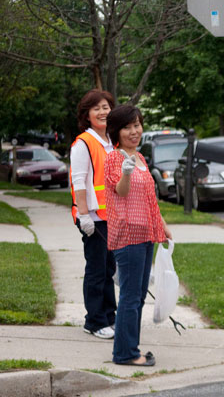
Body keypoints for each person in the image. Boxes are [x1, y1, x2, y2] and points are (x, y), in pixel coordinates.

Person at [105, 104, 172, 367]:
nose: (134, 131)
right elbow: (121, 192)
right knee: (131, 297)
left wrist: (162, 226)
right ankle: (125, 354)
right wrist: (125, 173)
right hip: (128, 235)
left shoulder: (141, 158)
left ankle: (130, 347)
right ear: (116, 132)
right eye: (127, 127)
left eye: (137, 125)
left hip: (145, 234)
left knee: (139, 294)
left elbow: (149, 199)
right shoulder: (114, 158)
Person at [70, 89, 117, 340]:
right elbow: (79, 182)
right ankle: (94, 321)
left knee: (109, 268)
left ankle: (109, 316)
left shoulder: (111, 142)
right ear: (87, 115)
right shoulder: (83, 143)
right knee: (97, 270)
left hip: (111, 217)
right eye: (96, 108)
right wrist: (84, 215)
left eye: (106, 107)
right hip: (93, 219)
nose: (102, 112)